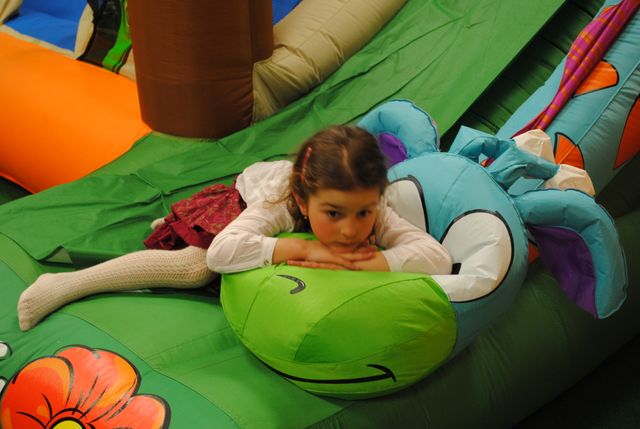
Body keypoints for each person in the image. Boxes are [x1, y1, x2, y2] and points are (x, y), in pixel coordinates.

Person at [18, 125, 452, 331]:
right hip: (244, 199)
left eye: (363, 214)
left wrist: (368, 262)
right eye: (334, 215)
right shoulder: (284, 200)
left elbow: (438, 258)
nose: (351, 231)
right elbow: (222, 252)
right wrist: (303, 250)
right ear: (305, 202)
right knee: (197, 268)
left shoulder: (373, 203)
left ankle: (179, 225)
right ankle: (67, 283)